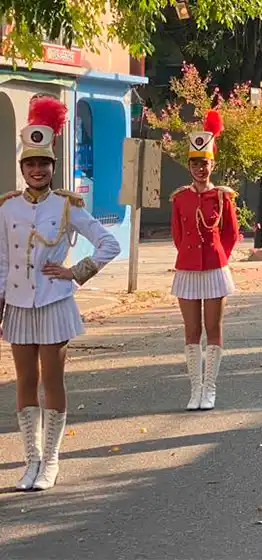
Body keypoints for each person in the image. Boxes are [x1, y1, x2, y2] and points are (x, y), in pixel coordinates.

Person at [3, 96, 120, 490]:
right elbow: (2, 262)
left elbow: (108, 243)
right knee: (22, 382)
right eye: (30, 163)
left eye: (43, 163)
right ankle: (30, 461)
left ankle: (51, 461)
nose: (37, 170)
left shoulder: (67, 206)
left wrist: (75, 271)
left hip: (54, 302)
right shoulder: (7, 209)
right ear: (22, 168)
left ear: (53, 167)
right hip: (18, 305)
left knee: (51, 380)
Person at [170, 109, 239, 411]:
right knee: (191, 331)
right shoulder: (180, 198)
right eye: (196, 163)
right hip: (187, 269)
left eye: (205, 163)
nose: (201, 169)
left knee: (214, 329)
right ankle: (194, 389)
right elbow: (177, 234)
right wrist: (190, 255)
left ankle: (209, 388)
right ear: (190, 165)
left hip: (214, 268)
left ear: (213, 164)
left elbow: (231, 235)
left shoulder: (223, 198)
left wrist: (217, 256)